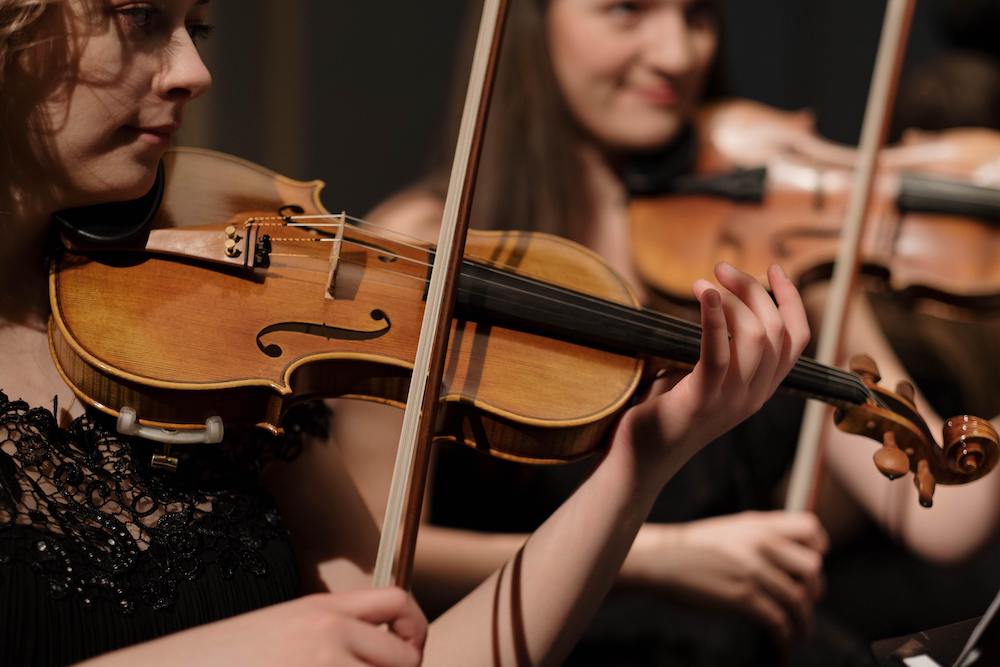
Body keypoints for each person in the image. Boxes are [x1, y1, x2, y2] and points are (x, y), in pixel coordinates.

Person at [0, 1, 811, 665]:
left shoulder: (212, 325)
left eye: (196, 29)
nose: (194, 72)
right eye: (139, 17)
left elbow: (424, 658)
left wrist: (639, 465)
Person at [332, 1, 833, 664]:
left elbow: (932, 518)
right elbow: (377, 552)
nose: (679, 54)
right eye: (627, 10)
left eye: (700, 15)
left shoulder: (741, 227)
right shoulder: (422, 246)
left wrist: (832, 238)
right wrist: (660, 556)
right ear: (530, 21)